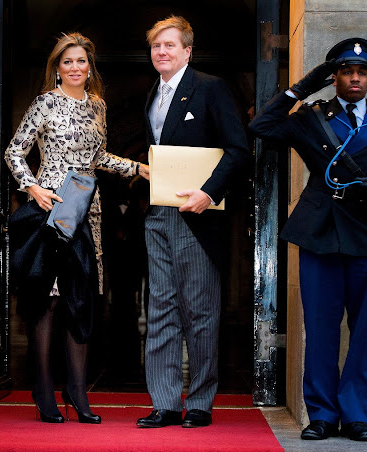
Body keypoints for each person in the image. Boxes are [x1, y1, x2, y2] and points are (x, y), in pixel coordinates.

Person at [249, 38, 367, 441]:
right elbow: (262, 126)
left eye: (362, 72)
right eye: (347, 72)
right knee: (322, 328)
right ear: (335, 77)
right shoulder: (312, 117)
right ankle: (324, 415)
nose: (355, 78)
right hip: (321, 233)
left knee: (365, 331)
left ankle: (356, 415)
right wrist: (302, 87)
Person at [5, 32, 149, 424]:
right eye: (67, 62)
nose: (74, 67)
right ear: (57, 68)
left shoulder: (98, 107)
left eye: (80, 61)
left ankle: (78, 391)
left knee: (80, 299)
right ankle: (44, 389)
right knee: (48, 300)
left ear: (90, 66)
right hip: (51, 209)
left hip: (89, 210)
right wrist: (32, 186)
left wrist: (138, 168)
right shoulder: (44, 102)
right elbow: (14, 151)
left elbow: (98, 156)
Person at [136, 16, 249, 428]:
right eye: (155, 46)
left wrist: (209, 192)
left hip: (198, 216)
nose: (161, 52)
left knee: (199, 311)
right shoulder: (151, 95)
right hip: (158, 215)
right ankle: (165, 402)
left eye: (169, 45)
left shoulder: (210, 87)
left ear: (187, 51)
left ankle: (200, 401)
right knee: (161, 309)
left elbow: (238, 150)